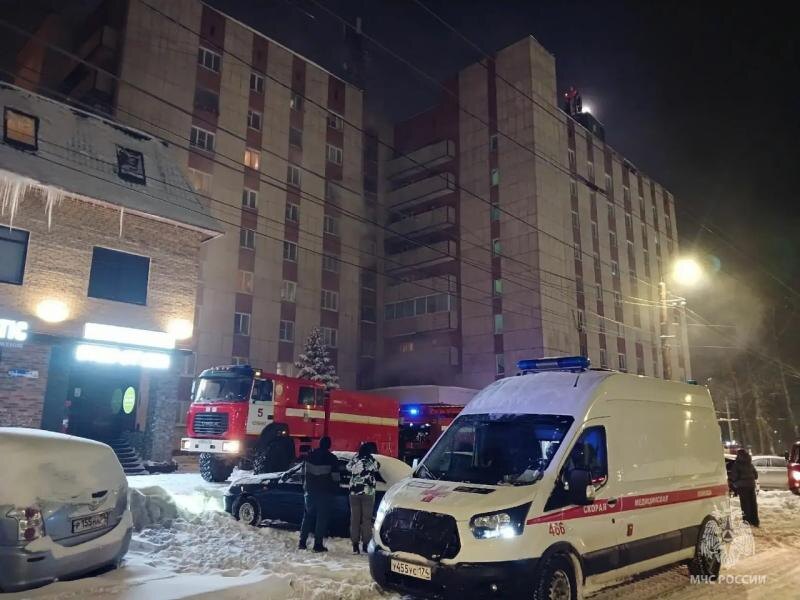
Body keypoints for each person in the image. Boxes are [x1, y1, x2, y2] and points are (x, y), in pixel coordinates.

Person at [299, 436, 340, 552]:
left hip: (310, 492)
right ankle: (317, 545)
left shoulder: (309, 456)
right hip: (325, 493)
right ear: (329, 445)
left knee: (307, 517)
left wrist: (305, 488)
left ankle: (302, 542)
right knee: (321, 519)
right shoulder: (332, 459)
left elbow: (302, 474)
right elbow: (336, 478)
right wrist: (334, 490)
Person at [346, 442, 381, 554]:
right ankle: (366, 545)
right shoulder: (370, 460)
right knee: (366, 519)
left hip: (354, 492)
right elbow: (377, 467)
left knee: (354, 518)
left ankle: (355, 545)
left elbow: (348, 467)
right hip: (368, 492)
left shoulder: (355, 458)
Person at [731, 448, 759, 527]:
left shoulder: (737, 464)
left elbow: (734, 477)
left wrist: (734, 483)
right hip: (751, 485)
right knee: (753, 503)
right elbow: (756, 475)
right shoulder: (750, 464)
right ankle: (755, 521)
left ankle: (747, 521)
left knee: (745, 504)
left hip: (742, 486)